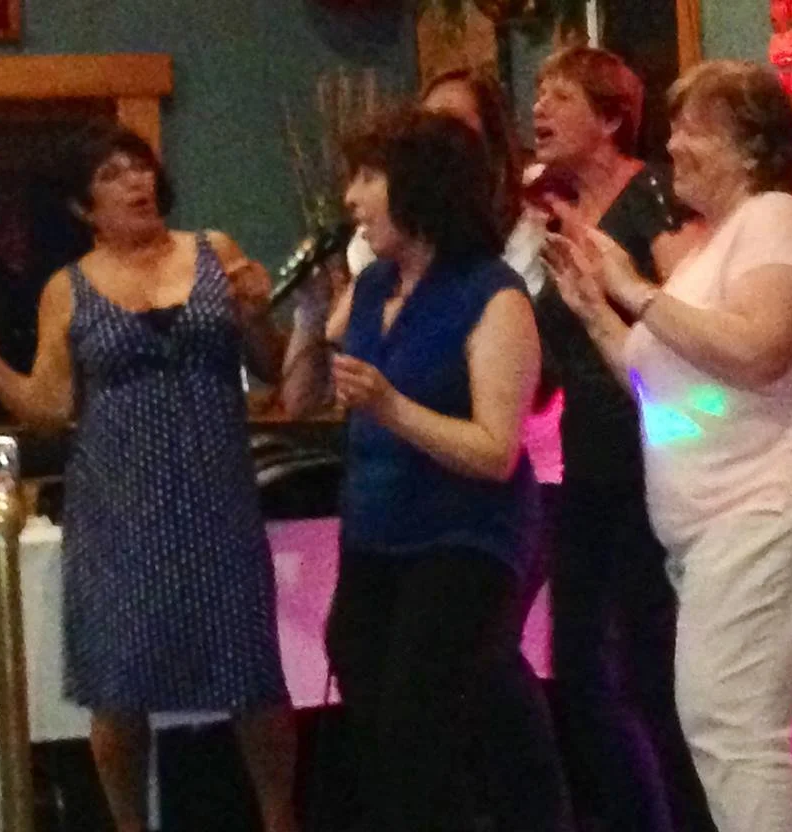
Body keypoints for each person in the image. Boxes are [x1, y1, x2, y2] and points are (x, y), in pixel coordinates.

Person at [0, 122, 297, 832]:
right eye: (111, 175)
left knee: (252, 672)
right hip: (117, 505)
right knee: (119, 683)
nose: (135, 182)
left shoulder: (213, 252)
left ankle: (281, 819)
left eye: (139, 168)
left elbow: (271, 366)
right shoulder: (66, 289)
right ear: (83, 207)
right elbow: (52, 406)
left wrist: (257, 314)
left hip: (215, 493)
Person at [544, 59, 792, 832]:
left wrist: (635, 291)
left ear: (752, 148)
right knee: (751, 736)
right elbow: (675, 399)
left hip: (770, 504)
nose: (675, 144)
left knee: (732, 733)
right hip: (734, 520)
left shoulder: (774, 220)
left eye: (695, 128)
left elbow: (761, 350)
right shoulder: (718, 252)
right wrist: (596, 310)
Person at [284, 67, 568, 832]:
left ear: (419, 189)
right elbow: (302, 397)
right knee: (386, 737)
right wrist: (309, 318)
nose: (350, 199)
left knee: (417, 729)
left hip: (464, 541)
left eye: (368, 178)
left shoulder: (494, 296)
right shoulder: (373, 286)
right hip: (379, 538)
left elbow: (494, 452)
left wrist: (393, 408)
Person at [528, 45, 715, 832]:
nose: (538, 107)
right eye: (537, 92)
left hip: (656, 454)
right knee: (579, 668)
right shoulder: (561, 218)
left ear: (609, 118)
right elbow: (539, 369)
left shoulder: (654, 201)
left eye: (560, 94)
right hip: (590, 466)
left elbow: (689, 325)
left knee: (651, 664)